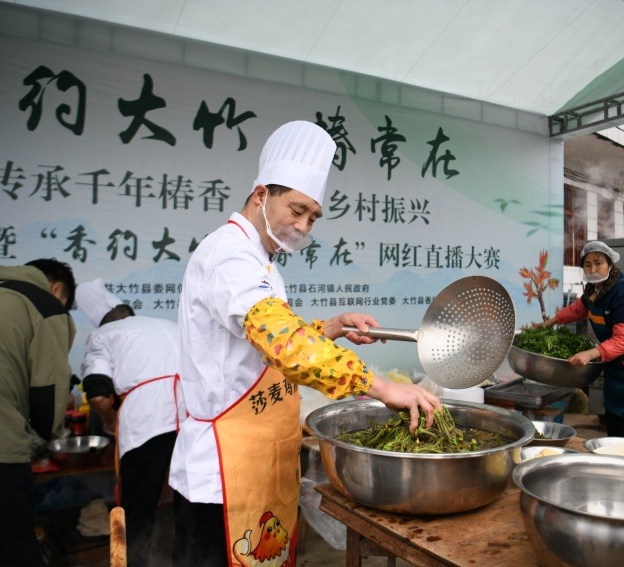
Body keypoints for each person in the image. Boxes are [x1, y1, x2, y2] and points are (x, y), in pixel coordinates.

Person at [169, 120, 442, 567]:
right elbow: (283, 344)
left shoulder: (262, 260)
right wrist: (383, 387)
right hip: (219, 477)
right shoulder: (230, 255)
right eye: (296, 210)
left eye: (312, 216)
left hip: (261, 460)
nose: (303, 224)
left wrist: (331, 326)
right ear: (261, 195)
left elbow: (263, 343)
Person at [0, 258, 76, 567]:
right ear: (56, 289)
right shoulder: (45, 304)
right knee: (12, 550)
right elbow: (48, 391)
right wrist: (50, 438)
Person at [76, 278, 184, 567]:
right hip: (195, 420)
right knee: (189, 504)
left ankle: (132, 562)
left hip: (147, 423)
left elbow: (97, 394)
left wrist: (111, 422)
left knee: (137, 509)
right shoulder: (168, 325)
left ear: (103, 323)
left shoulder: (103, 336)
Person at [539, 241, 624, 445]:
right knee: (614, 420)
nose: (592, 269)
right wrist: (549, 323)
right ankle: (618, 462)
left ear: (610, 265)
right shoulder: (594, 290)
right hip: (618, 363)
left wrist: (591, 354)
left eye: (598, 263)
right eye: (587, 264)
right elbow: (577, 309)